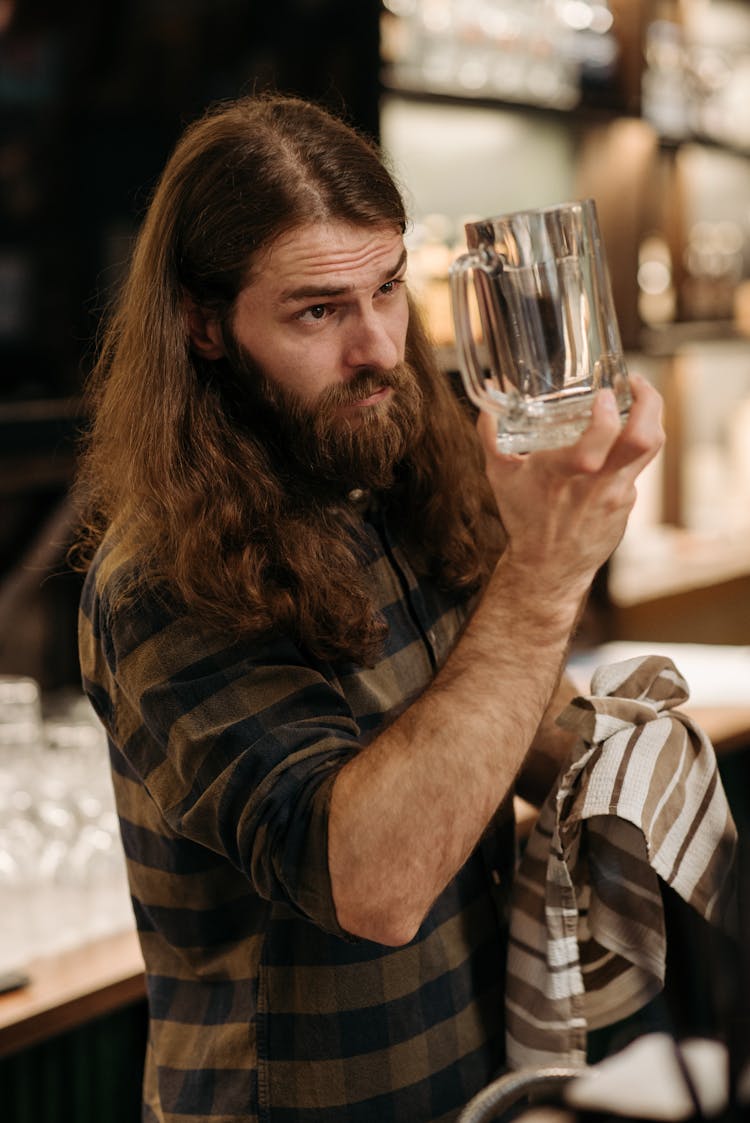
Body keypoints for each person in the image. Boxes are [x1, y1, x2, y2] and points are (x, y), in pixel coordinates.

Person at [73, 92, 664, 1122]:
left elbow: (501, 735)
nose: (379, 349)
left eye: (388, 288)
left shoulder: (386, 475)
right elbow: (374, 883)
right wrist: (543, 579)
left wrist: (651, 762)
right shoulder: (162, 576)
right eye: (318, 310)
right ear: (202, 326)